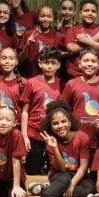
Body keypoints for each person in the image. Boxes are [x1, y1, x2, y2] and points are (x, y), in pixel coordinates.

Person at [27, 101, 92, 197]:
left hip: (77, 175)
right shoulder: (51, 140)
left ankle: (51, 189)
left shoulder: (82, 137)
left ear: (70, 122)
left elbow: (83, 167)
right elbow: (61, 168)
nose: (60, 126)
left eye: (63, 121)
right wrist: (55, 148)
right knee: (64, 179)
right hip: (59, 174)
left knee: (90, 188)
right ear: (50, 126)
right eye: (55, 123)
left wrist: (72, 185)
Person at [20, 46, 62, 175]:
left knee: (54, 171)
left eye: (53, 63)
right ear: (40, 63)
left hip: (53, 134)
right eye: (46, 62)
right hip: (33, 133)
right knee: (31, 171)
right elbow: (25, 111)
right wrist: (24, 135)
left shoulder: (62, 85)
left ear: (58, 65)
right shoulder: (31, 83)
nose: (49, 66)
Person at [61, 49, 99, 146]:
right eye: (86, 61)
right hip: (77, 137)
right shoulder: (71, 84)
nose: (89, 64)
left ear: (98, 64)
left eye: (93, 61)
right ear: (80, 64)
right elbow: (63, 110)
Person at [64, 0, 99, 80]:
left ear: (96, 14)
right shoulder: (73, 29)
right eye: (86, 10)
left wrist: (86, 40)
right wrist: (94, 40)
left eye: (93, 11)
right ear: (80, 13)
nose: (90, 13)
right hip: (76, 74)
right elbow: (71, 49)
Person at [17, 4, 63, 77]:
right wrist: (27, 45)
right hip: (32, 77)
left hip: (51, 77)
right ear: (38, 17)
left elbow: (66, 53)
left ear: (53, 18)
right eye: (42, 16)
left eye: (49, 16)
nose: (45, 19)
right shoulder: (29, 34)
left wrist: (56, 53)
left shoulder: (58, 36)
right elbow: (20, 59)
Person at [0, 46, 24, 124]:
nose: (7, 61)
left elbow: (25, 109)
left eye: (11, 58)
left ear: (16, 62)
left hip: (15, 126)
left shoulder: (24, 82)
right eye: (4, 58)